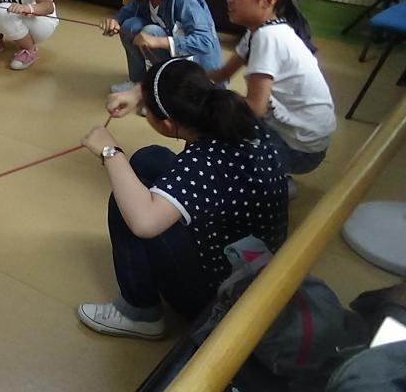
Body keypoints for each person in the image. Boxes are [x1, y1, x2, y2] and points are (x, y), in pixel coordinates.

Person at [77, 58, 288, 339]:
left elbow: (143, 222)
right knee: (149, 159)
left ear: (167, 123)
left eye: (146, 110)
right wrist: (138, 94)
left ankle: (138, 312)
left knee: (125, 201)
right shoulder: (235, 112)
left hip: (225, 294)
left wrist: (110, 152)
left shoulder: (204, 161)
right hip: (257, 258)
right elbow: (182, 75)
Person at [210, 0, 335, 190]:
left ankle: (277, 186)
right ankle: (272, 173)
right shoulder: (259, 30)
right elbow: (222, 73)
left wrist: (212, 103)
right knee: (222, 114)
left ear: (268, 0)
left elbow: (254, 108)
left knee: (221, 132)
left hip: (302, 149)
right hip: (304, 139)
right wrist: (187, 79)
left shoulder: (269, 37)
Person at [99, 0, 222, 92]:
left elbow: (205, 42)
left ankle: (167, 91)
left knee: (151, 32)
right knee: (129, 26)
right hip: (177, 59)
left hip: (201, 75)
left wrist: (158, 41)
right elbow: (127, 11)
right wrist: (115, 21)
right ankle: (138, 83)